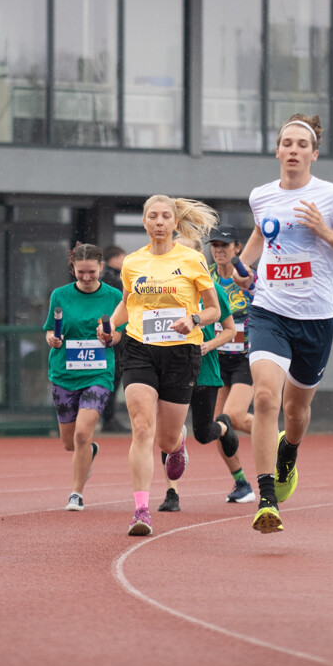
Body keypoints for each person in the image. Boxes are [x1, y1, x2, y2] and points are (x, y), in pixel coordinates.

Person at [233, 114, 333, 534]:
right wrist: (244, 265)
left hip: (315, 319)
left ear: (314, 154)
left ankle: (288, 452)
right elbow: (261, 233)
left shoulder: (331, 197)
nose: (293, 150)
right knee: (264, 398)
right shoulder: (261, 195)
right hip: (268, 311)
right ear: (277, 150)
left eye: (302, 145)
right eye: (287, 143)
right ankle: (266, 499)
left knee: (296, 412)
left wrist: (324, 232)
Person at [98, 195, 220, 537]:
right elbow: (127, 304)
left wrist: (193, 319)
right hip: (140, 349)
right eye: (153, 216)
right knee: (141, 428)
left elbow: (213, 310)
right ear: (144, 222)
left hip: (182, 352)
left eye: (166, 216)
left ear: (174, 222)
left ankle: (177, 444)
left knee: (165, 440)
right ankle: (141, 510)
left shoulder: (193, 259)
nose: (160, 222)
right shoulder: (133, 262)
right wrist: (111, 325)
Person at [158, 236, 241, 513]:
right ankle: (172, 493)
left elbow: (230, 330)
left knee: (204, 434)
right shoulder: (162, 289)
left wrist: (209, 345)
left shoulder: (212, 289)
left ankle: (224, 427)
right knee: (169, 433)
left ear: (198, 259)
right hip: (171, 368)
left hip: (204, 369)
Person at [44, 244, 124, 511]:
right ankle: (89, 451)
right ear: (73, 269)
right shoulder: (60, 295)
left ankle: (76, 494)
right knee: (70, 443)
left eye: (92, 272)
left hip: (98, 374)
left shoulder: (114, 296)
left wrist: (109, 337)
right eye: (81, 272)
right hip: (64, 374)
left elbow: (119, 334)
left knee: (81, 434)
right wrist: (52, 339)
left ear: (101, 267)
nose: (87, 277)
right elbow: (49, 330)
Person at [206, 224, 258, 504]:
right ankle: (241, 483)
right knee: (217, 425)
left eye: (224, 245)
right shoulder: (205, 278)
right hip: (216, 358)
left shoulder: (249, 277)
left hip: (247, 357)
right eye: (214, 246)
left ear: (238, 248)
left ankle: (276, 440)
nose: (218, 251)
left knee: (234, 416)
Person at [100, 244, 129, 433]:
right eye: (122, 257)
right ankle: (108, 419)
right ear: (114, 258)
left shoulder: (109, 278)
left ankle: (108, 418)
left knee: (112, 377)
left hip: (110, 333)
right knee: (112, 376)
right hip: (112, 334)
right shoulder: (114, 281)